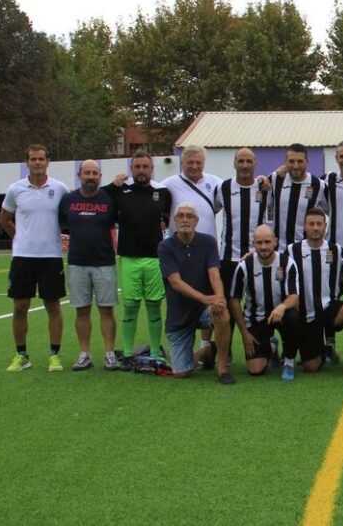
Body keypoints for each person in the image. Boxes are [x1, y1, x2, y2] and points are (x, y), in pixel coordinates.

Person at [2, 144, 69, 372]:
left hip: (51, 257)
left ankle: (54, 355)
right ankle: (22, 356)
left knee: (53, 306)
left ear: (48, 162)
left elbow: (68, 217)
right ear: (27, 162)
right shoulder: (15, 189)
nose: (37, 162)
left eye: (41, 159)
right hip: (23, 257)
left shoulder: (60, 188)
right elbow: (4, 219)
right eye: (33, 159)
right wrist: (19, 238)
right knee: (20, 306)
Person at [104, 151, 172, 364]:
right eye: (137, 167)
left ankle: (155, 353)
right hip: (129, 257)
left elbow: (168, 219)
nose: (141, 170)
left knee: (154, 306)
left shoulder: (162, 192)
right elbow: (99, 194)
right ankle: (127, 353)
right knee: (131, 306)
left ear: (152, 169)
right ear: (131, 169)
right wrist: (113, 182)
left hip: (154, 258)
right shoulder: (120, 190)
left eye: (145, 166)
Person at [287, 208, 343, 378]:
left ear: (325, 227)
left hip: (329, 308)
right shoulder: (292, 250)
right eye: (311, 224)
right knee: (311, 367)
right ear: (304, 227)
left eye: (319, 224)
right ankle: (324, 350)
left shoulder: (335, 250)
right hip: (306, 314)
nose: (315, 228)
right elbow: (274, 263)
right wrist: (250, 257)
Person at [158, 203, 234, 384]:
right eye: (181, 216)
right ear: (174, 221)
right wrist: (206, 298)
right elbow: (175, 282)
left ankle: (222, 368)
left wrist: (219, 299)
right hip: (179, 317)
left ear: (197, 221)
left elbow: (214, 273)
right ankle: (206, 351)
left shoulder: (208, 242)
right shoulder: (165, 247)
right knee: (181, 373)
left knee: (222, 313)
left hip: (203, 311)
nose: (185, 220)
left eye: (189, 216)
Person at [58, 160, 119, 371]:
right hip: (77, 263)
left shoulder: (109, 199)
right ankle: (84, 354)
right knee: (82, 311)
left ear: (100, 176)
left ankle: (110, 353)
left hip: (104, 263)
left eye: (94, 173)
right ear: (79, 175)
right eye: (87, 173)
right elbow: (61, 223)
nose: (91, 176)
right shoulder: (68, 199)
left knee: (106, 311)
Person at [214, 148, 269, 362]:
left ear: (255, 164)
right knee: (227, 306)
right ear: (234, 163)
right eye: (241, 161)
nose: (245, 165)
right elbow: (211, 210)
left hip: (258, 259)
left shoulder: (264, 188)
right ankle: (225, 353)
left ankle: (265, 348)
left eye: (249, 161)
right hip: (229, 258)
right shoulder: (223, 188)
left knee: (261, 305)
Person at [228, 225, 301, 380]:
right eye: (259, 242)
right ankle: (271, 347)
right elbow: (234, 301)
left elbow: (294, 297)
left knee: (293, 317)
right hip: (256, 318)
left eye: (267, 242)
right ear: (253, 243)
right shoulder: (244, 266)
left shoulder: (287, 263)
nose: (263, 247)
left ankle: (288, 362)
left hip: (281, 316)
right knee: (255, 370)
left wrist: (282, 307)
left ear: (275, 241)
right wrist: (245, 333)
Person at [269, 143, 327, 251]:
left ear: (307, 162)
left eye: (300, 161)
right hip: (280, 250)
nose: (295, 166)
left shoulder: (318, 185)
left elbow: (331, 211)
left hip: (306, 252)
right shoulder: (275, 179)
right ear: (285, 161)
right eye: (291, 161)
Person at [162, 145, 222, 238]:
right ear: (182, 163)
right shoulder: (168, 184)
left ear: (204, 163)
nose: (194, 166)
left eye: (198, 162)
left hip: (207, 244)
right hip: (178, 244)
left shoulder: (216, 183)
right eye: (190, 162)